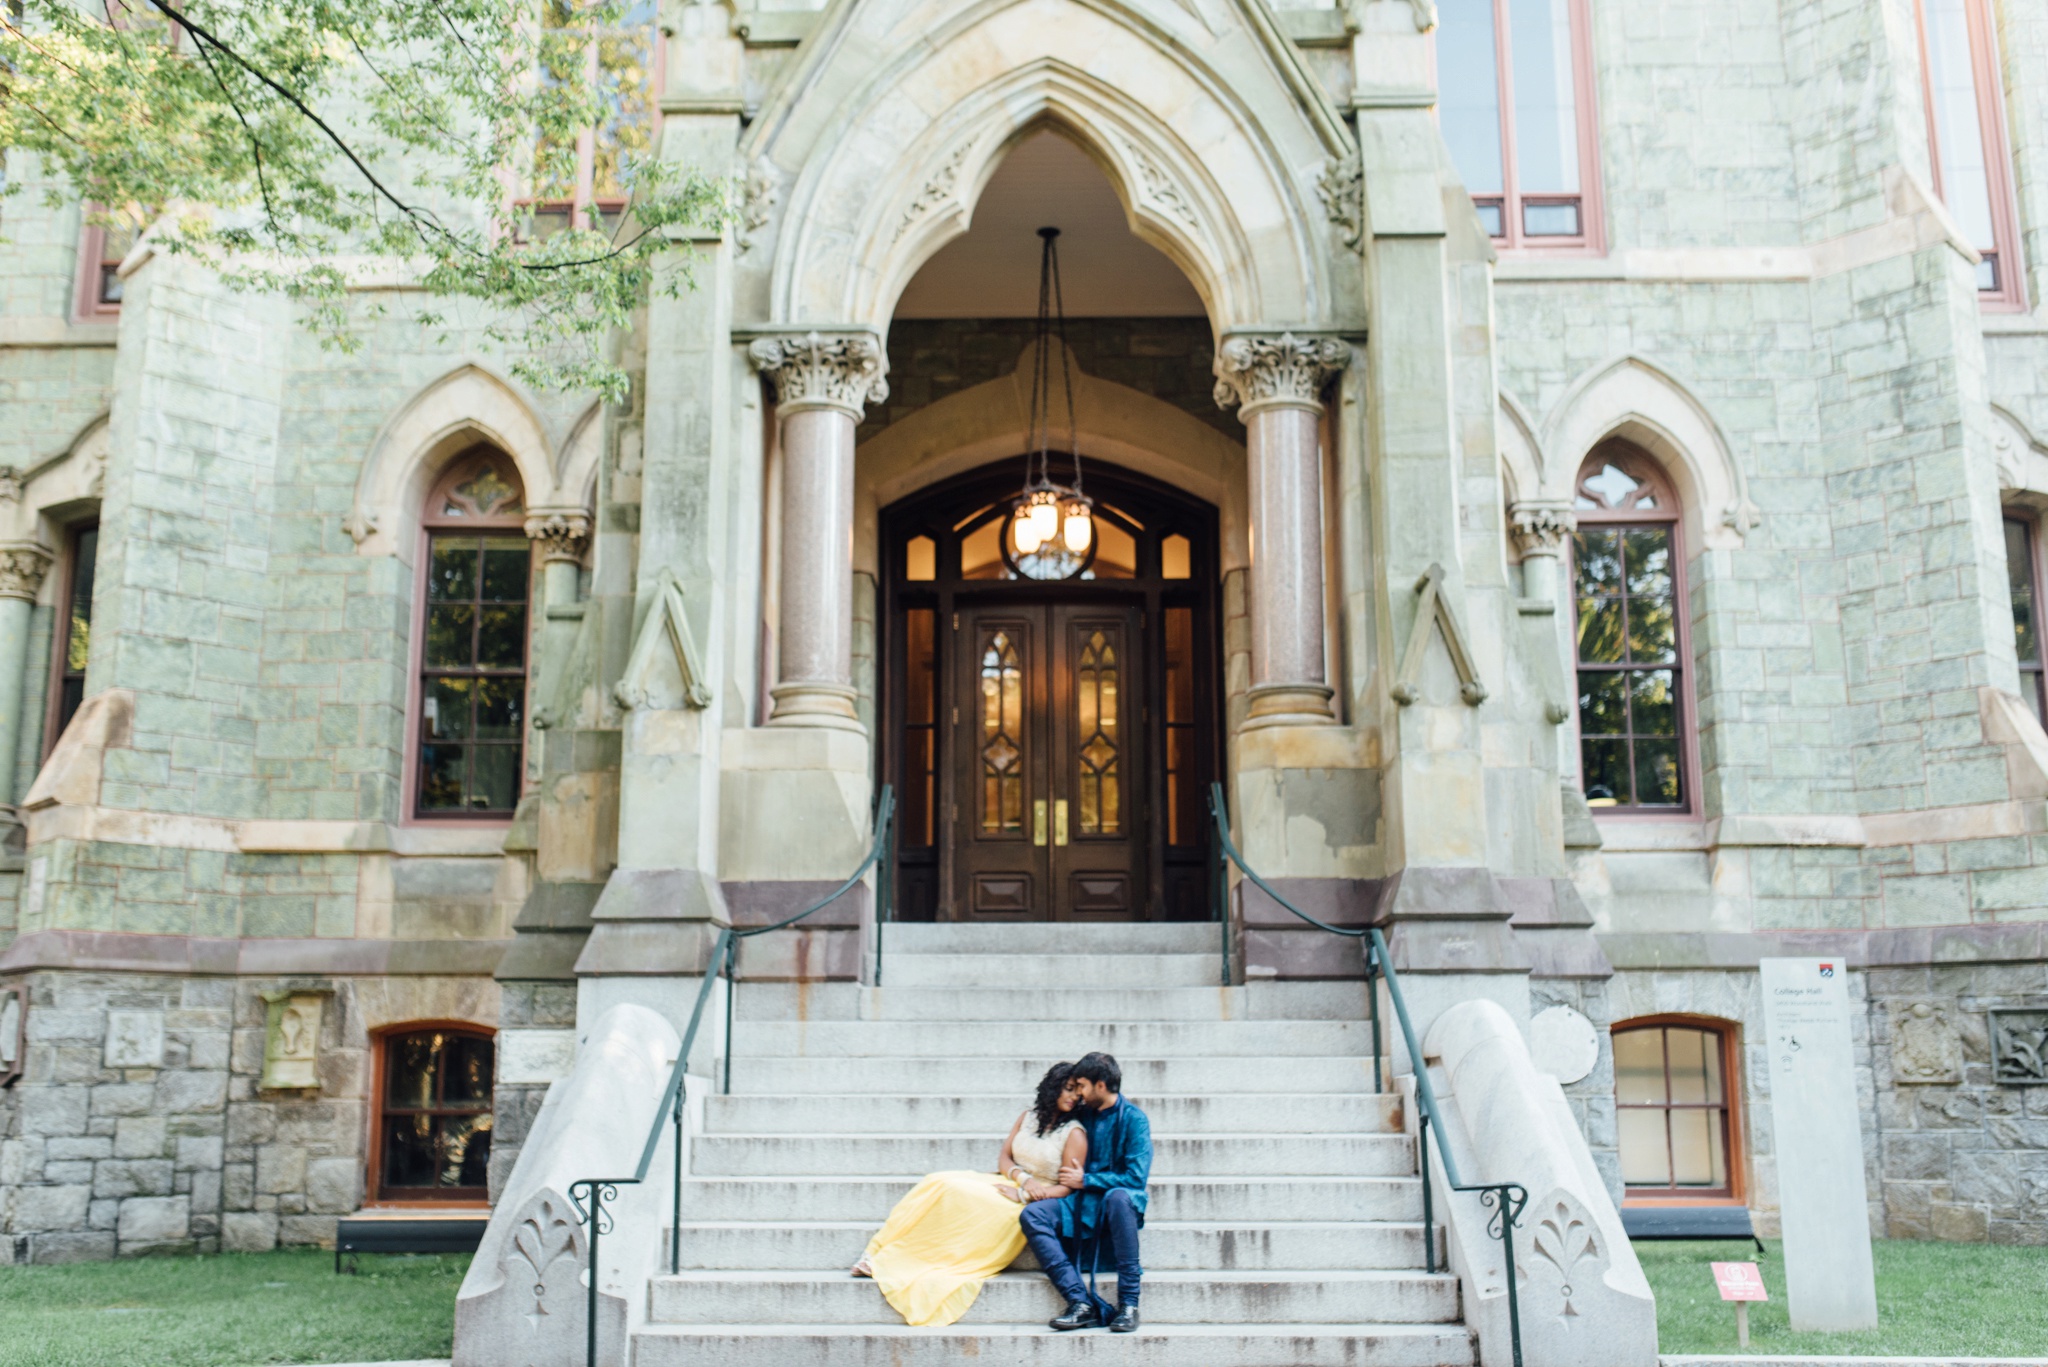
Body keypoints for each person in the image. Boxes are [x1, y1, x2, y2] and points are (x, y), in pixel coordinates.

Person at [851, 1062, 1089, 1327]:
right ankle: (877, 1252)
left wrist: (1024, 1194)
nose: (1073, 1097)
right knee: (939, 1182)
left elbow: (1066, 1187)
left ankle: (900, 1262)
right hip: (1008, 1180)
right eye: (1068, 1089)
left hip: (1034, 1198)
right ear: (1053, 1088)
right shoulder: (1028, 1117)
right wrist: (1022, 1179)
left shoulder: (1075, 1133)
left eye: (1077, 1093)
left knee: (976, 1203)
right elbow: (1004, 1158)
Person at [1020, 1050, 1150, 1333]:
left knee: (1118, 1197)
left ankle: (1129, 1304)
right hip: (1078, 1201)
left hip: (1117, 1203)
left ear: (1099, 1085)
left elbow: (1136, 1178)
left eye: (1081, 1085)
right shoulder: (1084, 1115)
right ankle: (1080, 1302)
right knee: (1033, 1215)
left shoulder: (1135, 1120)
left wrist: (1087, 1179)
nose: (1077, 1092)